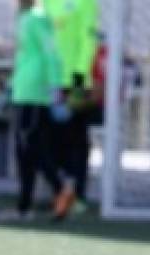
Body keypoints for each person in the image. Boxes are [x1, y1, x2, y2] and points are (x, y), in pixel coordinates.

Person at [0, 0, 74, 223]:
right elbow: (26, 58)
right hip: (26, 90)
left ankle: (60, 191)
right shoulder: (32, 19)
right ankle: (27, 205)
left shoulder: (35, 20)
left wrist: (55, 88)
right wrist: (11, 87)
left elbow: (51, 54)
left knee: (31, 149)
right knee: (27, 151)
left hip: (34, 91)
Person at [44, 0, 100, 211]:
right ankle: (58, 192)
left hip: (73, 83)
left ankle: (77, 196)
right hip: (48, 81)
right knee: (47, 141)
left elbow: (88, 44)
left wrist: (78, 85)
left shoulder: (85, 3)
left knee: (75, 142)